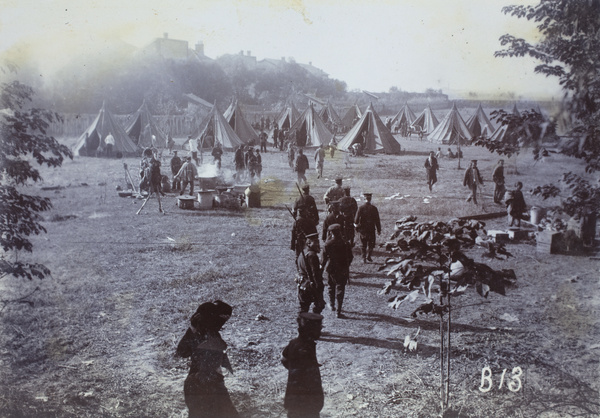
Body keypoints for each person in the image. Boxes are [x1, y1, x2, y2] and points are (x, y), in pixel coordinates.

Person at [176, 300, 238, 418]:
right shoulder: (199, 334)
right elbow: (182, 351)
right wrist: (192, 328)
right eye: (220, 321)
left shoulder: (210, 334)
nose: (222, 324)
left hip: (207, 384)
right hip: (202, 385)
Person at [281, 312, 324, 418]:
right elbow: (308, 380)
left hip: (295, 400)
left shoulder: (295, 343)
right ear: (310, 331)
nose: (320, 332)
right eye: (318, 329)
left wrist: (292, 369)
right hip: (304, 404)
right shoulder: (304, 350)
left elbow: (284, 359)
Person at [321, 224, 351, 318]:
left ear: (331, 232)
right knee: (340, 289)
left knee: (331, 286)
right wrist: (346, 265)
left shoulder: (328, 244)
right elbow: (350, 257)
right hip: (342, 268)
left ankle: (332, 304)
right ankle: (338, 311)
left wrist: (322, 268)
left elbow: (323, 259)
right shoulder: (345, 243)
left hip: (331, 268)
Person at [296, 233, 325, 314]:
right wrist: (319, 287)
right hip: (310, 286)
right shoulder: (312, 256)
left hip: (302, 285)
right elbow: (315, 274)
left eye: (318, 242)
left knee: (303, 308)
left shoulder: (303, 253)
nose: (318, 245)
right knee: (319, 306)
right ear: (309, 243)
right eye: (315, 242)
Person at [354, 193, 381, 263]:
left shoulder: (361, 208)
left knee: (363, 244)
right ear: (370, 199)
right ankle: (369, 256)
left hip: (363, 229)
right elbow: (377, 220)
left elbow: (356, 220)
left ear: (364, 199)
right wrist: (379, 230)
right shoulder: (374, 208)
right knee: (371, 243)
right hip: (371, 229)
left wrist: (356, 226)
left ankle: (363, 258)